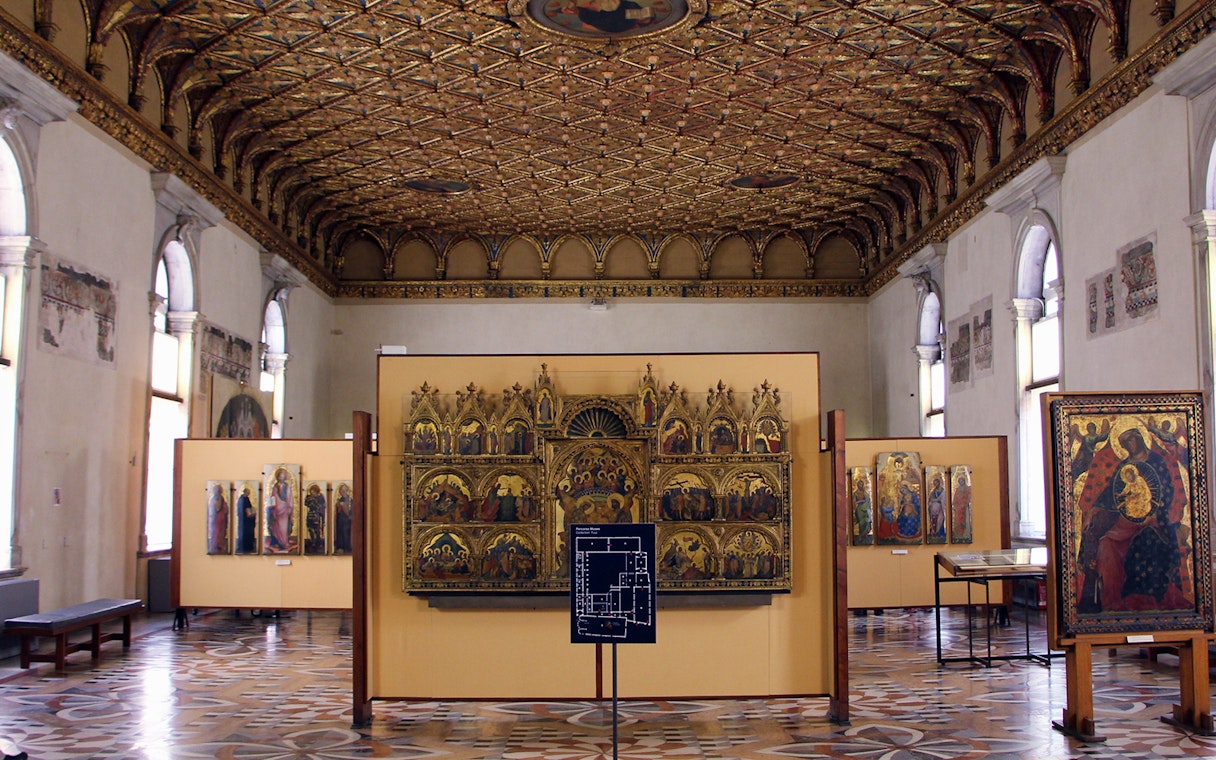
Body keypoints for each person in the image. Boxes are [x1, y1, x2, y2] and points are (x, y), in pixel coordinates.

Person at [1075, 426, 1188, 614]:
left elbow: (1167, 491)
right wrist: (1094, 509)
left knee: (1147, 543)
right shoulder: (1124, 466)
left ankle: (1147, 601)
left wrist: (1153, 513)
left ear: (1140, 439)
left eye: (1131, 440)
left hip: (1154, 520)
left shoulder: (1156, 462)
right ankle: (1111, 603)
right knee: (1106, 544)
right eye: (1125, 442)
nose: (1129, 445)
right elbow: (1112, 493)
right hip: (1126, 522)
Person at [266, 468, 295, 552]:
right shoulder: (275, 486)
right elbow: (273, 497)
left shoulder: (287, 486)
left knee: (284, 527)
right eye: (279, 475)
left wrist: (290, 507)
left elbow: (290, 498)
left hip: (285, 510)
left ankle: (284, 542)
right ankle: (278, 542)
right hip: (277, 510)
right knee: (276, 526)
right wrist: (273, 506)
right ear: (277, 477)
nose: (281, 477)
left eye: (283, 475)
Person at [304, 483, 327, 554]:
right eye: (311, 491)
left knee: (317, 530)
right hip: (310, 515)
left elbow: (322, 506)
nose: (312, 493)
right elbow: (306, 504)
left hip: (317, 516)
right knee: (310, 529)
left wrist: (315, 502)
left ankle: (318, 543)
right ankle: (312, 542)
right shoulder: (309, 497)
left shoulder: (320, 497)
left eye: (313, 491)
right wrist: (310, 500)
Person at [207, 483, 229, 554]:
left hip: (222, 519)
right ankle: (215, 546)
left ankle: (220, 544)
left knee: (221, 532)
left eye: (219, 490)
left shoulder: (221, 498)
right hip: (216, 519)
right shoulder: (215, 499)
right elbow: (216, 508)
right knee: (216, 532)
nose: (219, 492)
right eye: (218, 490)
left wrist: (225, 507)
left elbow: (224, 506)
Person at [236, 485, 257, 553]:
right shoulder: (243, 499)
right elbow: (244, 510)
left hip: (247, 520)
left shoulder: (245, 498)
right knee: (245, 533)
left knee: (248, 533)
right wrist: (251, 513)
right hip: (245, 520)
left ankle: (249, 546)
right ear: (245, 492)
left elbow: (249, 508)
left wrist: (252, 512)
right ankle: (246, 547)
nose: (249, 493)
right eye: (248, 492)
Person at [333, 483, 353, 554]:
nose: (344, 492)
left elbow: (351, 511)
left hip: (348, 519)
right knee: (340, 532)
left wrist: (344, 507)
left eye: (345, 490)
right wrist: (340, 507)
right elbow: (338, 511)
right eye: (342, 490)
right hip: (340, 519)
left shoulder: (350, 500)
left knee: (346, 533)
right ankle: (340, 547)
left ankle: (347, 547)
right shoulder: (339, 500)